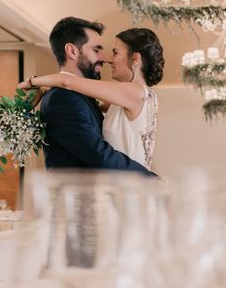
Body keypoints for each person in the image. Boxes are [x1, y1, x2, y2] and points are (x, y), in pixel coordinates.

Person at [21, 17, 161, 175]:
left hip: (123, 186)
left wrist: (33, 81)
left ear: (135, 58)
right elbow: (98, 153)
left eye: (115, 52)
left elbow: (66, 81)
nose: (105, 58)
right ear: (72, 51)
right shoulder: (63, 98)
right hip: (88, 193)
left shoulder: (134, 92)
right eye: (97, 50)